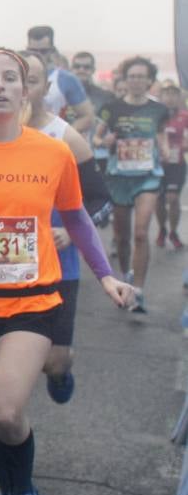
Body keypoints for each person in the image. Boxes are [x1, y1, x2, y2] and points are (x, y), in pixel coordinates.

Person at [0, 49, 132, 495]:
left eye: (11, 78)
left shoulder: (53, 154)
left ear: (27, 91)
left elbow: (77, 219)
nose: (0, 86)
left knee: (5, 412)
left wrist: (106, 275)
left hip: (32, 298)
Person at [21, 51, 112, 404]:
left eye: (33, 80)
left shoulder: (67, 137)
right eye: (18, 77)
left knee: (54, 362)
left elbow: (100, 201)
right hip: (9, 265)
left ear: (46, 87)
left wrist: (70, 233)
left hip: (60, 265)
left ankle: (60, 371)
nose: (24, 87)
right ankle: (6, 439)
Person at [98, 56, 169, 314]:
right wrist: (105, 141)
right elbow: (98, 136)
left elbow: (161, 137)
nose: (137, 81)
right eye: (132, 76)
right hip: (119, 176)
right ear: (124, 80)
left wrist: (164, 149)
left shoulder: (158, 109)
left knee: (141, 232)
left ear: (150, 80)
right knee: (122, 237)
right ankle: (127, 276)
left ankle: (138, 290)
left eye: (142, 76)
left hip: (148, 175)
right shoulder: (112, 107)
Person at [26, 26, 93, 133]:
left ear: (52, 50)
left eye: (43, 51)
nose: (38, 55)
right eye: (33, 51)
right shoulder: (15, 75)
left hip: (50, 143)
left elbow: (87, 117)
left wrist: (63, 134)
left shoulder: (66, 79)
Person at [157, 82, 188, 250]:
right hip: (157, 164)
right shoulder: (155, 115)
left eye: (173, 93)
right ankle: (162, 229)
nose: (170, 97)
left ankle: (173, 232)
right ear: (161, 96)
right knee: (158, 200)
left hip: (177, 164)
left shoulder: (185, 116)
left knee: (173, 198)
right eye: (166, 93)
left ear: (179, 96)